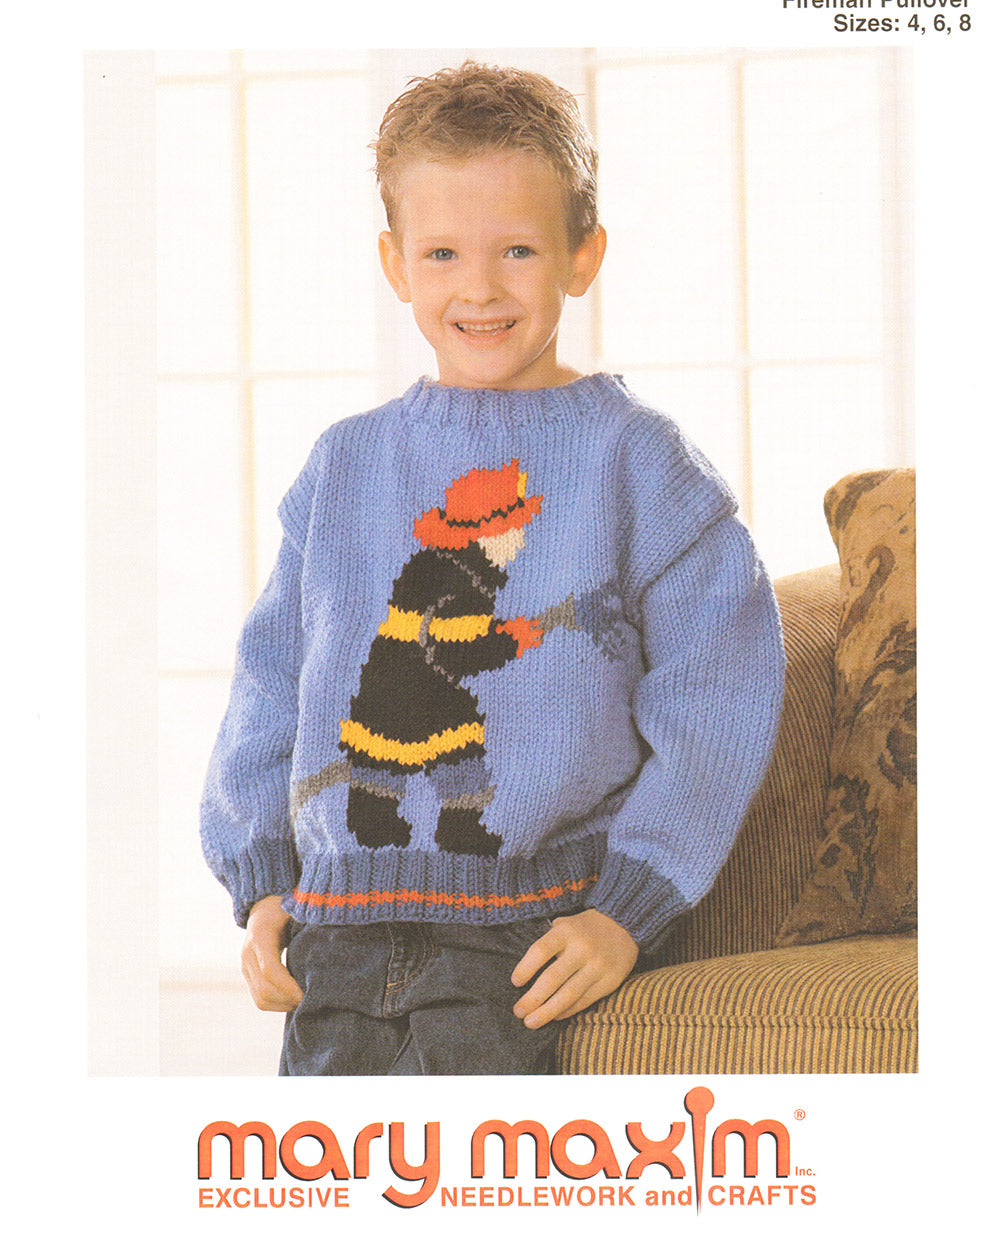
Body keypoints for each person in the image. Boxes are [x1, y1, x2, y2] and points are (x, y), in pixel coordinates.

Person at [200, 60, 785, 1076]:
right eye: (442, 253)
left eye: (517, 249)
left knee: (488, 1160)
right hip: (338, 926)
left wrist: (627, 909)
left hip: (530, 928)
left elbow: (719, 696)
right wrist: (261, 883)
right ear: (395, 265)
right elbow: (268, 682)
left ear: (582, 255)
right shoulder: (344, 465)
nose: (478, 288)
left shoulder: (639, 464)